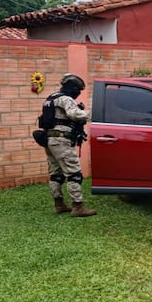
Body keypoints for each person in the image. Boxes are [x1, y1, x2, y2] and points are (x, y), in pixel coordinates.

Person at [42, 74, 96, 217]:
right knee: (74, 173)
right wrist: (95, 114)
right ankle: (78, 207)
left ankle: (59, 204)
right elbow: (74, 114)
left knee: (56, 174)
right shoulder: (65, 99)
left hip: (50, 140)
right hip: (61, 140)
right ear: (72, 87)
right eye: (78, 90)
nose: (78, 93)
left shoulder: (51, 98)